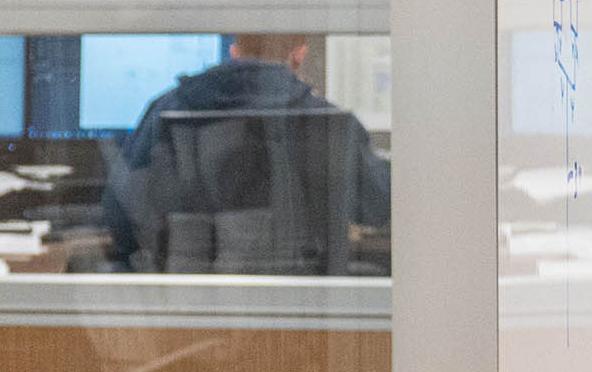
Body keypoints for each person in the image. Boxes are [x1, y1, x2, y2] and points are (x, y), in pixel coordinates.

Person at [100, 31, 392, 273]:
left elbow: (121, 217)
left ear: (234, 50)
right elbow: (379, 207)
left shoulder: (168, 109)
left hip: (191, 312)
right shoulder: (326, 122)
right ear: (298, 54)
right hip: (306, 318)